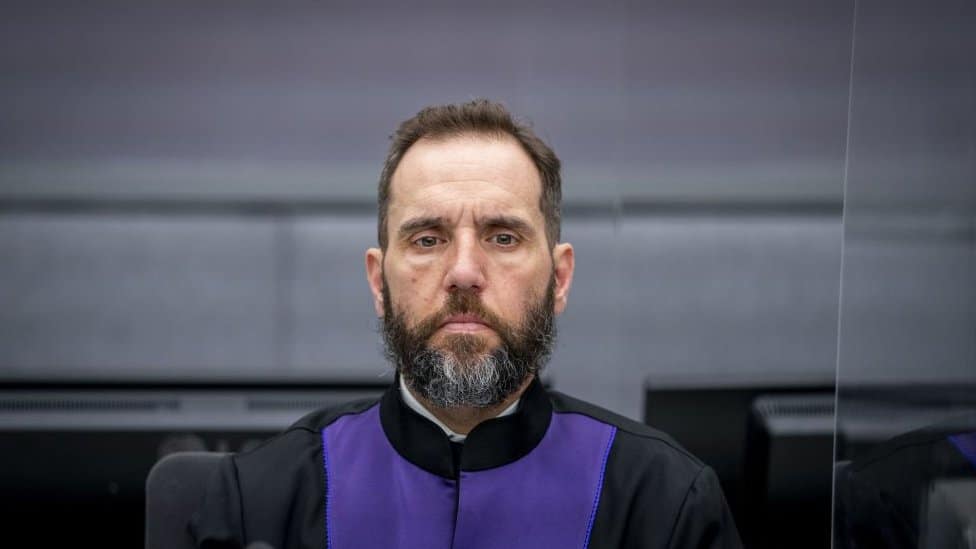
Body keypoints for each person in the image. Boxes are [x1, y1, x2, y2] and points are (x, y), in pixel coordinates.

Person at [190, 99, 742, 549]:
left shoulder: (665, 503)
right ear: (379, 282)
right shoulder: (257, 504)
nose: (463, 273)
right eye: (427, 239)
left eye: (503, 237)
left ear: (560, 278)